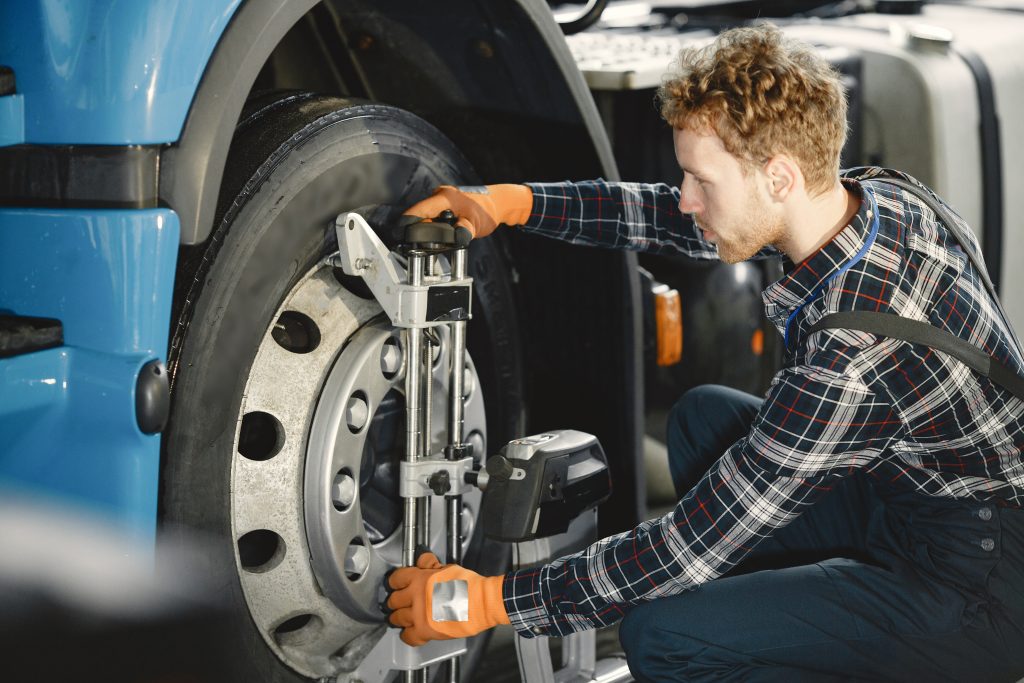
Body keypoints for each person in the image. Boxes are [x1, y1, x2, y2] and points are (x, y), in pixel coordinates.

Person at [384, 24, 1024, 681]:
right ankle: (778, 626)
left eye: (700, 179)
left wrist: (481, 600)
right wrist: (510, 204)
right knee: (702, 420)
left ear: (778, 177)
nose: (687, 197)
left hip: (979, 588)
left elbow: (688, 545)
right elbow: (669, 218)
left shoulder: (854, 356)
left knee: (660, 634)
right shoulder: (881, 196)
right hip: (918, 498)